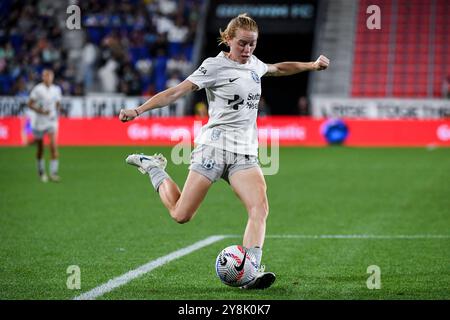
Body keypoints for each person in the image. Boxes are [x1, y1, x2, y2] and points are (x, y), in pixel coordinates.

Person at [119, 13, 329, 289]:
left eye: (252, 44)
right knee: (181, 215)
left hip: (244, 154)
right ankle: (153, 167)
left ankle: (250, 271)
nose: (248, 50)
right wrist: (139, 110)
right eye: (242, 44)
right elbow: (176, 92)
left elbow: (279, 68)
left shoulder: (254, 64)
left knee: (260, 208)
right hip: (213, 149)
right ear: (228, 39)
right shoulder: (213, 67)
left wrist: (312, 65)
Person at [28, 68, 62, 182]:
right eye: (45, 76)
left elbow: (57, 103)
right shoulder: (37, 89)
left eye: (49, 76)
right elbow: (30, 104)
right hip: (39, 122)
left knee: (53, 146)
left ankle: (53, 173)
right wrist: (40, 111)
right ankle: (41, 172)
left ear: (52, 77)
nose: (47, 78)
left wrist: (56, 111)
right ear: (43, 77)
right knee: (41, 148)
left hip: (51, 121)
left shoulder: (56, 90)